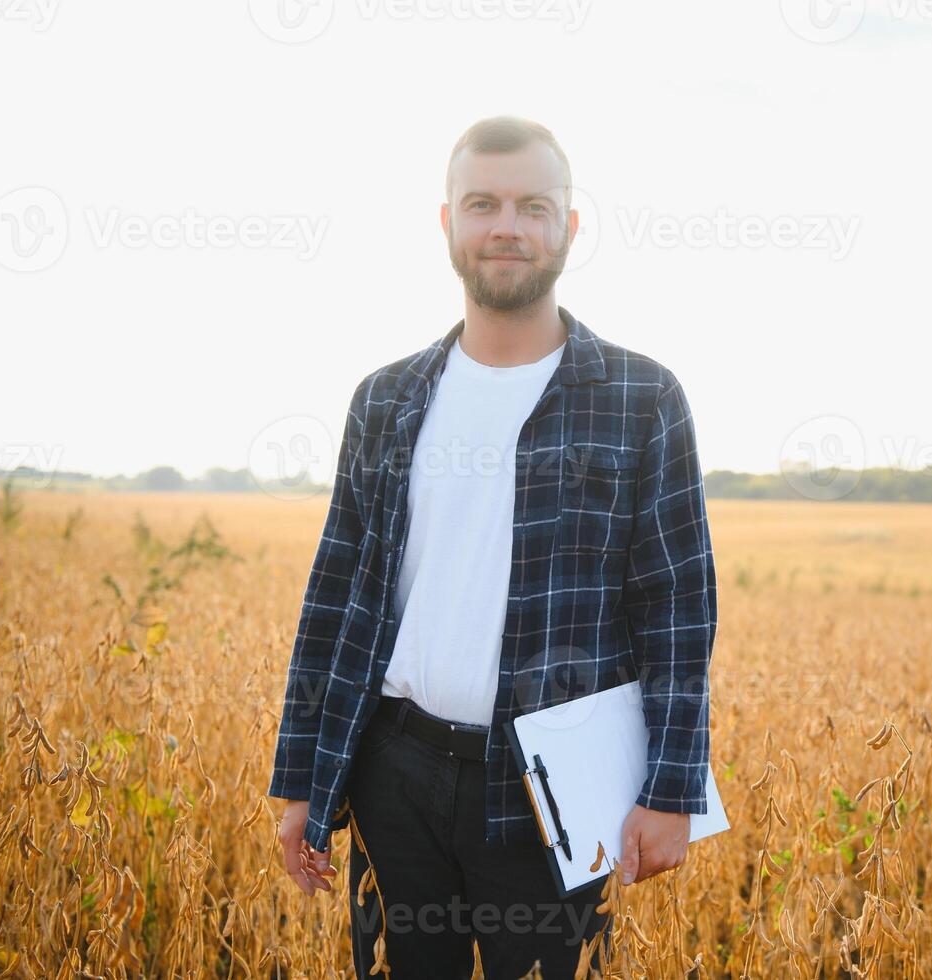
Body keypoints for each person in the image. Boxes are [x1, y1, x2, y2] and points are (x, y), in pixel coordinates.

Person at [267, 115, 718, 979]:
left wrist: (671, 791)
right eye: (482, 204)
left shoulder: (640, 397)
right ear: (447, 224)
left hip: (552, 784)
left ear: (569, 228)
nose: (506, 226)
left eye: (532, 206)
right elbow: (334, 595)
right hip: (393, 771)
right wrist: (300, 782)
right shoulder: (387, 399)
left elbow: (678, 609)